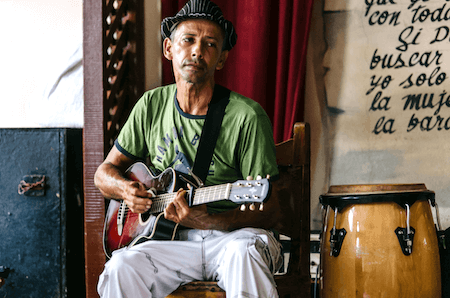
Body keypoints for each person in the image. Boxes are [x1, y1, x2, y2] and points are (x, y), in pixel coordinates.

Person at [95, 0, 284, 297]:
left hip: (233, 238)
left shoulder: (247, 116)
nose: (197, 51)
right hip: (170, 242)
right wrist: (125, 190)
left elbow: (271, 211)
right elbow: (103, 174)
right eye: (189, 40)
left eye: (210, 44)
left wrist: (210, 220)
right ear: (169, 48)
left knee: (244, 254)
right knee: (121, 268)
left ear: (220, 59)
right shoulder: (150, 105)